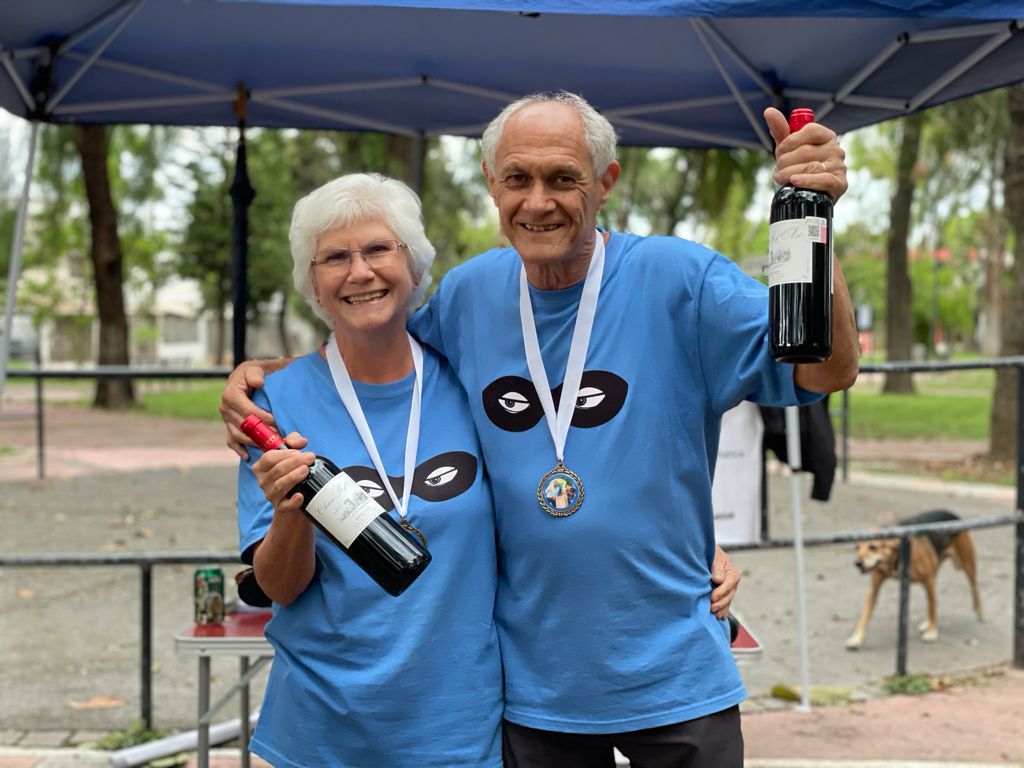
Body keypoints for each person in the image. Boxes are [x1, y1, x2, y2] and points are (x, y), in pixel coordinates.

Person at [222, 91, 857, 768]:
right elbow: (374, 339)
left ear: (606, 183)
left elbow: (826, 370)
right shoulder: (470, 295)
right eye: (517, 179)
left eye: (564, 179)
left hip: (676, 682)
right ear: (492, 186)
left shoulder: (680, 279)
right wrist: (266, 375)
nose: (538, 201)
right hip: (533, 697)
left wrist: (820, 221)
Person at [235, 173, 503, 767]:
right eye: (333, 257)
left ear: (415, 266)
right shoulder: (275, 406)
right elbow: (278, 587)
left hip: (460, 730)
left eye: (379, 248)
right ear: (314, 284)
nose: (360, 272)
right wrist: (290, 513)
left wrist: (702, 547)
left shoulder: (471, 381)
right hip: (321, 732)